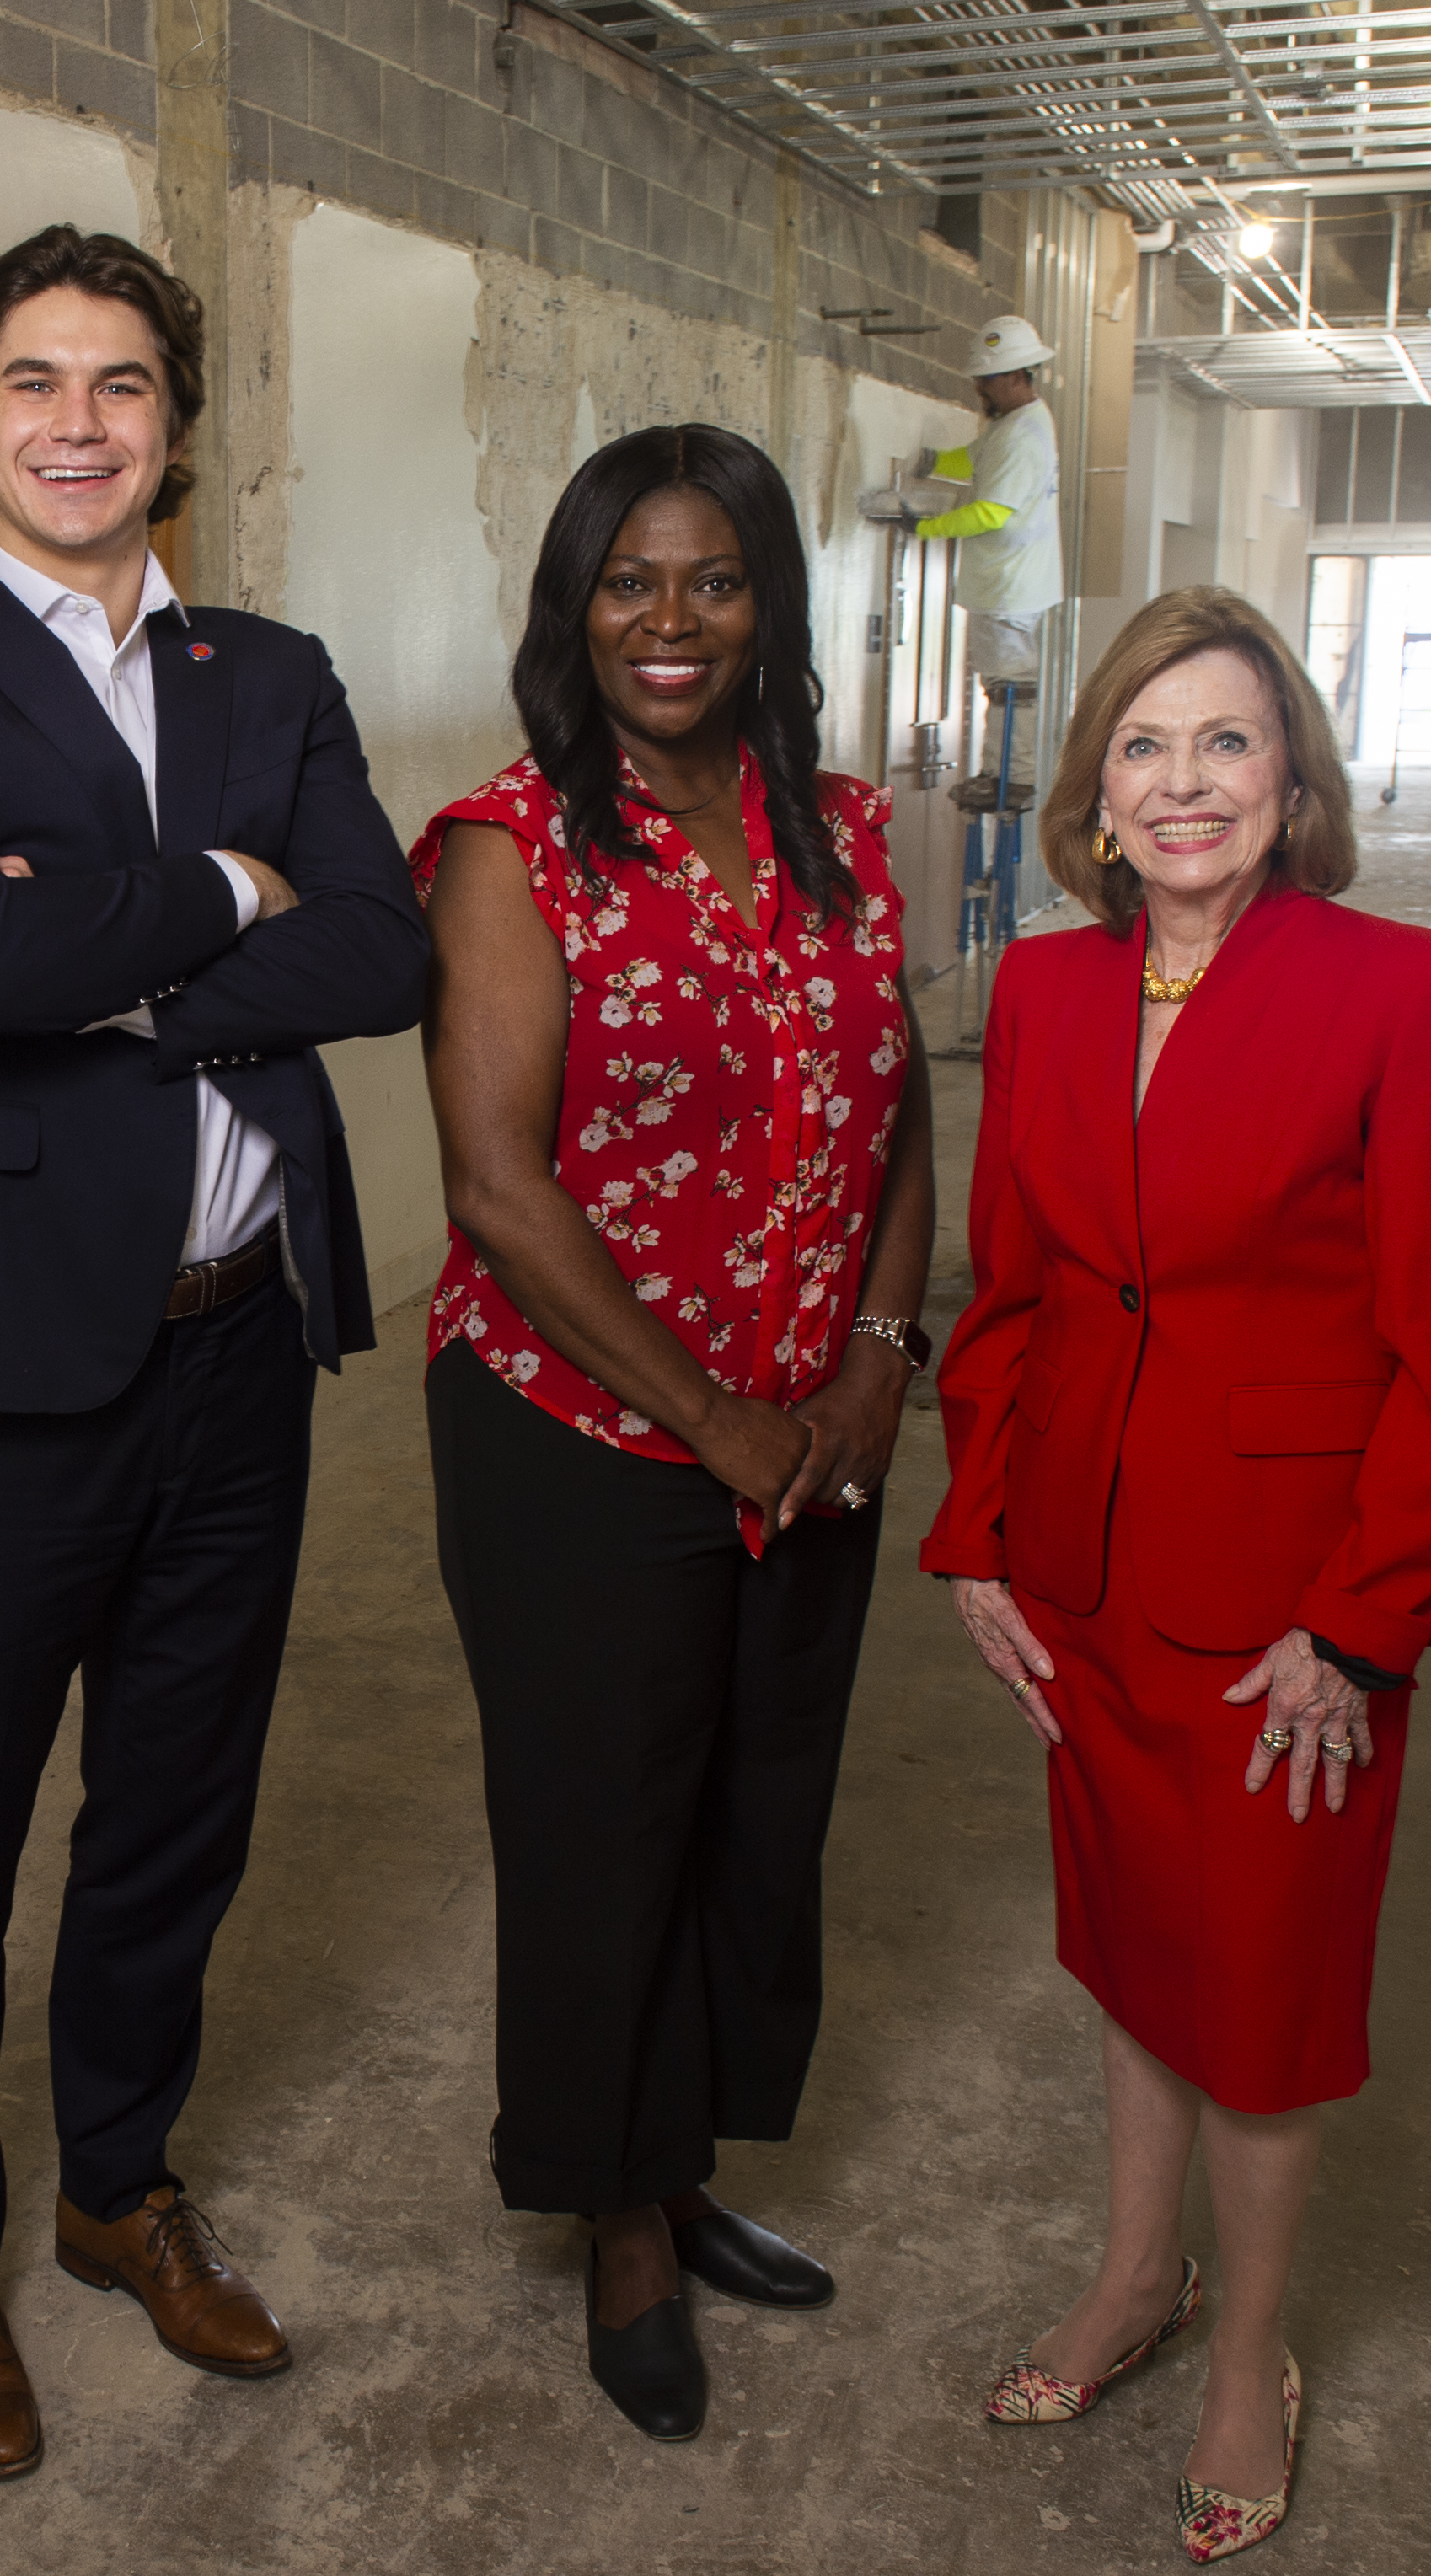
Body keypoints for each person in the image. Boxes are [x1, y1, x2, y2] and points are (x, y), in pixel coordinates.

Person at [0, 223, 428, 2482]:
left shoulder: (271, 670)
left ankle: (113, 2187)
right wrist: (229, 896)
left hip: (236, 1355)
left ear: (179, 425)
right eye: (37, 383)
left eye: (127, 385)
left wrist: (126, 953)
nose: (81, 423)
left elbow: (384, 954)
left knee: (179, 1813)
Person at [921, 584, 1431, 2563]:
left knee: (1259, 1993)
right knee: (1135, 1950)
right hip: (1086, 1568)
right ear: (1094, 795)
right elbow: (1013, 1288)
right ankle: (1135, 2272)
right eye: (1146, 747)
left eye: (1228, 742)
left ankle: (1248, 2344)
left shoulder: (1407, 993)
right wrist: (976, 1526)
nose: (1184, 785)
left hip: (1285, 1612)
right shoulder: (1053, 993)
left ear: (1295, 779)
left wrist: (1362, 1615)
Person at [415, 424, 936, 2444]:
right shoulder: (513, 842)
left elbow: (899, 1097)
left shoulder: (846, 828)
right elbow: (495, 1184)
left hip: (818, 1427)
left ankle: (693, 2154)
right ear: (575, 603)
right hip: (587, 1434)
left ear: (770, 605)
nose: (671, 618)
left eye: (714, 579)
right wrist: (712, 1414)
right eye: (630, 580)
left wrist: (882, 1356)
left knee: (754, 1809)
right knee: (601, 1826)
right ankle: (619, 2216)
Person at [918, 313, 1064, 698]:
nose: (979, 388)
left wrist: (924, 527)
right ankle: (1003, 760)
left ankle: (1007, 762)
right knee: (1006, 688)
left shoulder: (1020, 435)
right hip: (1010, 589)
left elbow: (990, 513)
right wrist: (933, 462)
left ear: (1016, 376)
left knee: (1010, 693)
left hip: (1008, 594)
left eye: (987, 379)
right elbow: (973, 459)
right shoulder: (1015, 424)